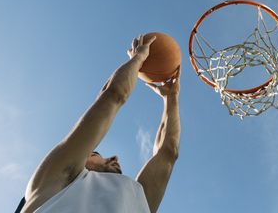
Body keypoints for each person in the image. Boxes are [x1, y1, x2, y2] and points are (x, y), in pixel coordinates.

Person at [18, 35, 181, 213]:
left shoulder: (134, 197)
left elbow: (168, 152)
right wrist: (138, 58)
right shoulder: (54, 179)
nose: (113, 158)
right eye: (95, 153)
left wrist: (171, 98)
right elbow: (112, 96)